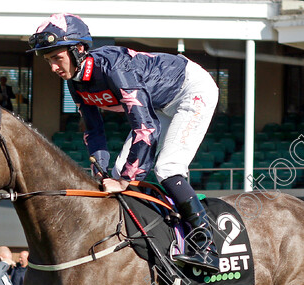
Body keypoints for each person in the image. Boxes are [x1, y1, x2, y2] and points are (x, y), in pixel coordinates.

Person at [28, 13, 219, 271]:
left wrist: (124, 180)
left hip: (192, 90)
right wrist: (101, 172)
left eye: (57, 58)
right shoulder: (75, 83)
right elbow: (93, 132)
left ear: (79, 49)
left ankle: (206, 246)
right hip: (159, 104)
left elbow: (146, 128)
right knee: (116, 174)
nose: (53, 67)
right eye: (49, 60)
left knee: (166, 167)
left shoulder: (115, 68)